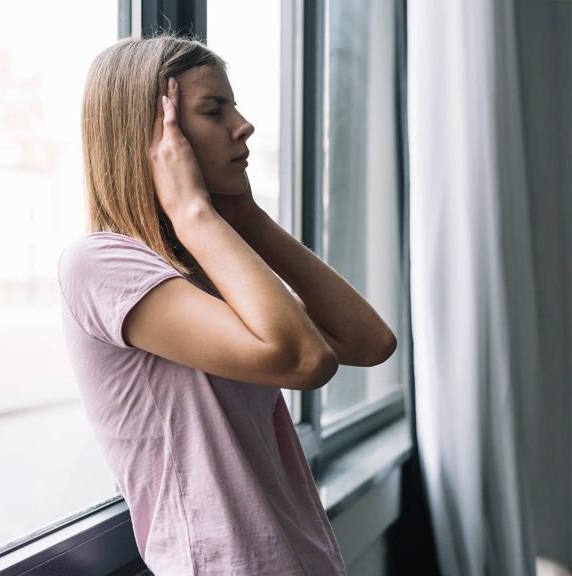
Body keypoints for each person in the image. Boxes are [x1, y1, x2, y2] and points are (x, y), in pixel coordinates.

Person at [58, 35, 397, 575]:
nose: (244, 126)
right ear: (155, 138)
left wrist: (247, 217)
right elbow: (306, 360)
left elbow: (369, 342)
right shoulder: (101, 265)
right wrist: (193, 211)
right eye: (215, 111)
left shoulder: (202, 268)